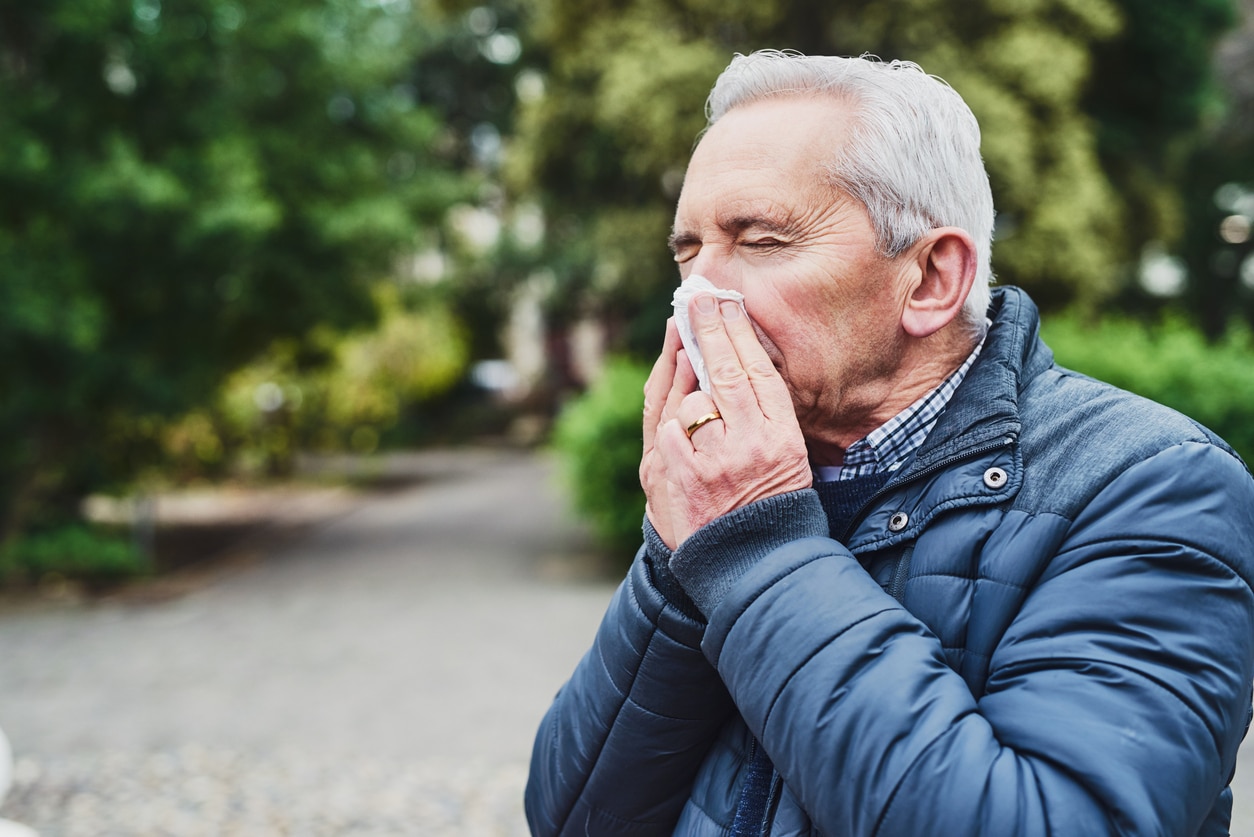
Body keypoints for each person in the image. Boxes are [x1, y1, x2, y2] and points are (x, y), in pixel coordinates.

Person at [524, 49, 1254, 836]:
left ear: (932, 277)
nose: (699, 294)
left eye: (761, 240)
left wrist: (755, 546)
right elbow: (574, 817)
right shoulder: (737, 481)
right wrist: (681, 553)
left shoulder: (1154, 485)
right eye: (689, 250)